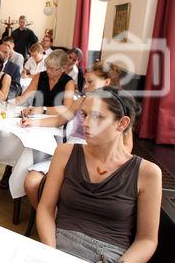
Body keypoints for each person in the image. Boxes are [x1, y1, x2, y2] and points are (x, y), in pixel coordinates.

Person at [37, 86, 161, 263]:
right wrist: (51, 253)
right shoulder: (65, 153)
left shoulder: (147, 173)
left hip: (110, 256)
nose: (86, 124)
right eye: (85, 115)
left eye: (98, 117)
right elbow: (45, 209)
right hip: (59, 246)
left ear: (122, 123)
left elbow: (147, 240)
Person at [22, 61, 123, 208]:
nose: (85, 86)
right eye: (85, 82)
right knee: (31, 182)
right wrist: (32, 123)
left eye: (90, 82)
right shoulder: (81, 101)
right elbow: (58, 120)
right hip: (68, 154)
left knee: (71, 191)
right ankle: (49, 218)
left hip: (95, 159)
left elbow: (126, 147)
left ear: (106, 82)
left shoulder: (117, 111)